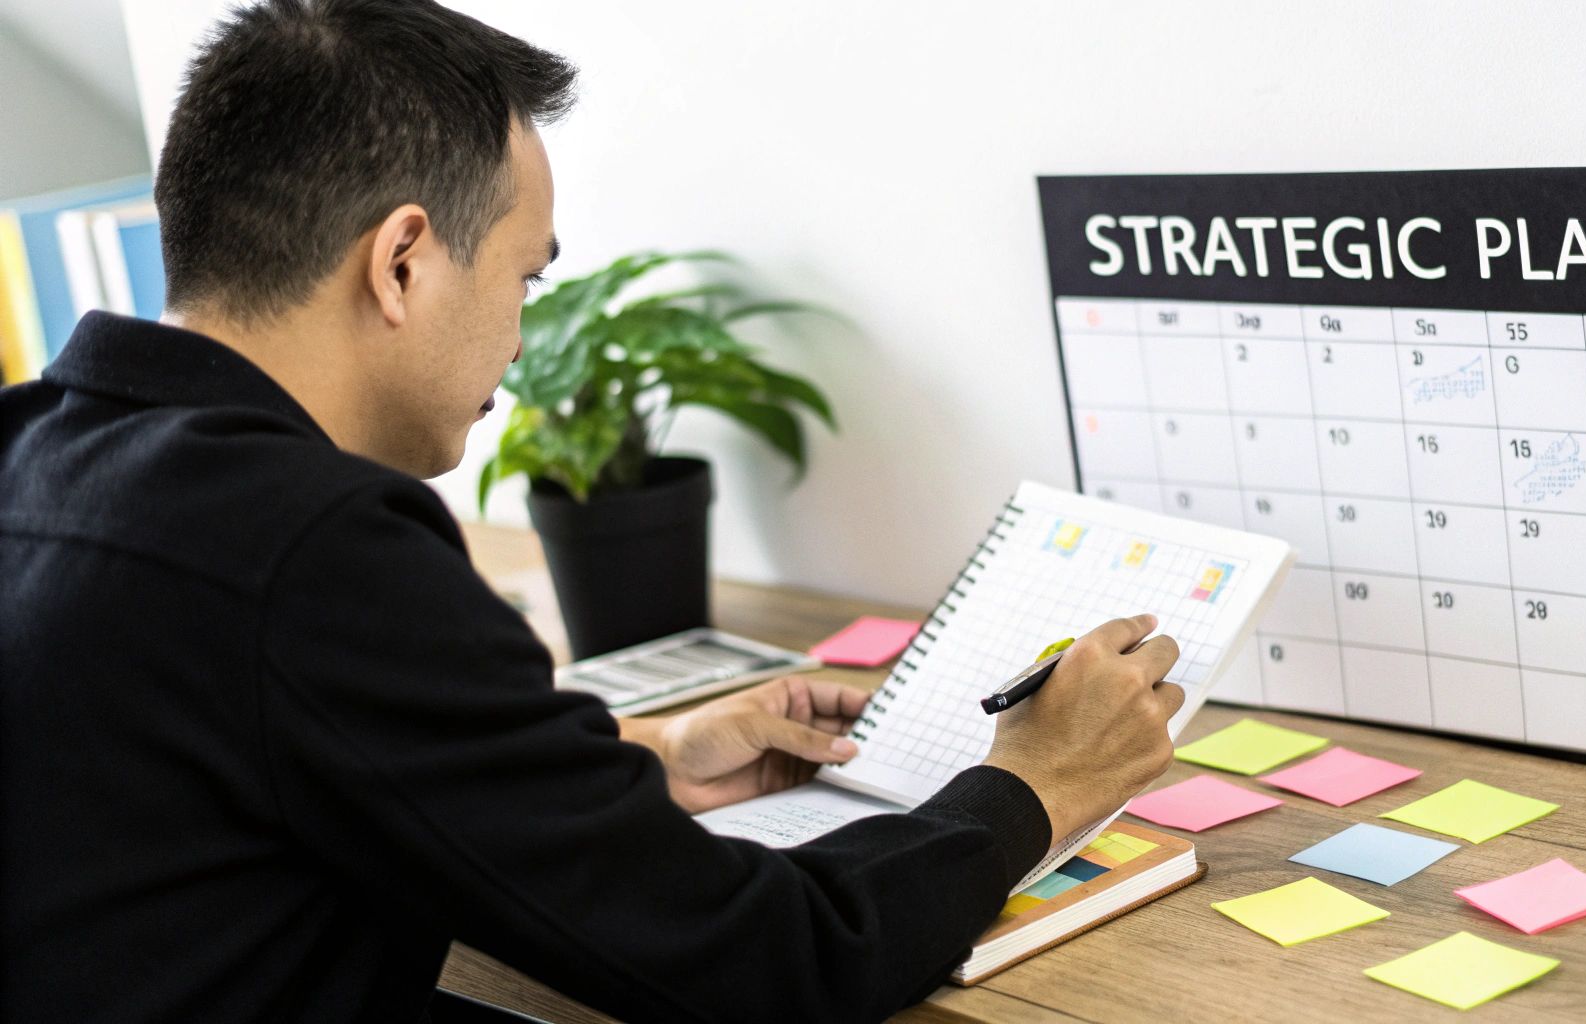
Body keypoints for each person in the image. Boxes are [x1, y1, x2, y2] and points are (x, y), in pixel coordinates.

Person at [0, 1, 1185, 1021]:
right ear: (403, 260)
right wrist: (1036, 782)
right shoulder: (310, 545)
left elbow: (232, 770)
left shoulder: (35, 452)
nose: (520, 338)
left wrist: (643, 760)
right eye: (524, 276)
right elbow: (770, 962)